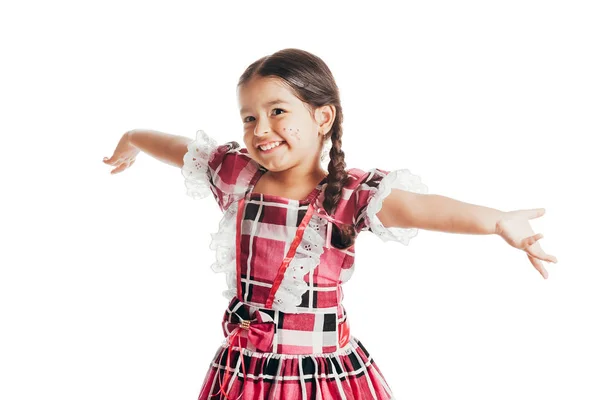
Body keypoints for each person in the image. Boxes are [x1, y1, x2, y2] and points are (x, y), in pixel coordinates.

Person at [102, 48, 557, 400]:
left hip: (318, 374)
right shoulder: (238, 175)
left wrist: (498, 221)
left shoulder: (348, 196)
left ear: (322, 117)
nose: (261, 128)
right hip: (246, 370)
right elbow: (179, 146)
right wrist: (132, 138)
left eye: (277, 111)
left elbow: (422, 208)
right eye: (249, 117)